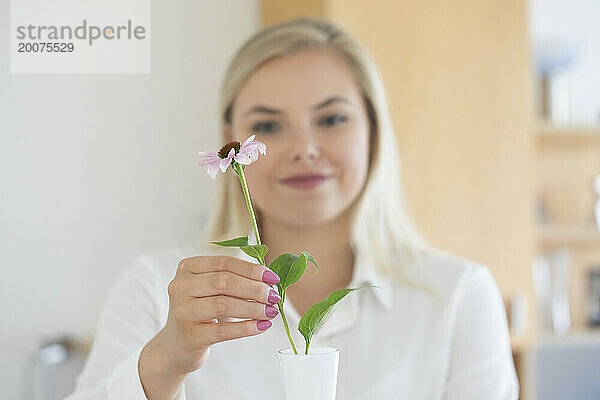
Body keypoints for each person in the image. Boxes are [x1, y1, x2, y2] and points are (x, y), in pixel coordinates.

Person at [65, 17, 519, 400]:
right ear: (232, 139)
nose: (304, 148)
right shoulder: (157, 289)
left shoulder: (458, 296)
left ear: (373, 129)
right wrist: (165, 360)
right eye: (267, 125)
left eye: (332, 119)